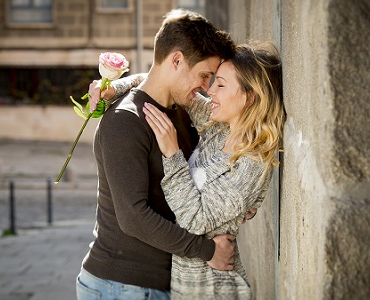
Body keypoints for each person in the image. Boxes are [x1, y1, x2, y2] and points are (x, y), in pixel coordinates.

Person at [103, 41, 284, 299]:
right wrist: (114, 87)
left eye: (220, 84)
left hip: (213, 288)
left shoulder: (252, 162)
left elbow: (194, 220)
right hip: (185, 284)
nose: (211, 91)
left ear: (250, 96)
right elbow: (164, 83)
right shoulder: (217, 127)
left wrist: (172, 153)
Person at [75, 9, 236, 300]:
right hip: (121, 286)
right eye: (204, 75)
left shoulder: (180, 112)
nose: (206, 87)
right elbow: (133, 217)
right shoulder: (125, 121)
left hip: (151, 285)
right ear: (176, 60)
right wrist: (208, 251)